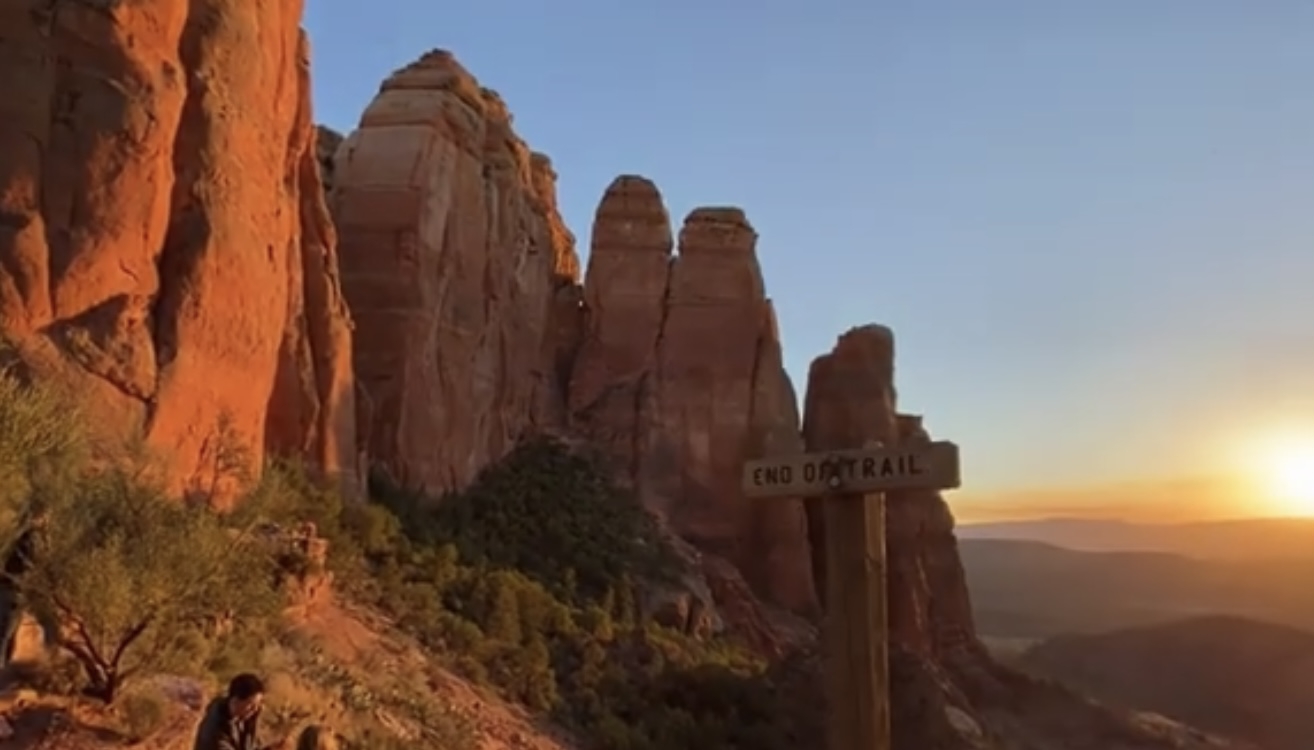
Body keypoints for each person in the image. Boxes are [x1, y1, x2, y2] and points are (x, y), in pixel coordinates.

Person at [0, 507, 47, 670]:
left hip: (10, 589)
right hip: (15, 589)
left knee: (6, 633)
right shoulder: (32, 539)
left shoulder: (18, 538)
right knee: (6, 633)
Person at [193, 673, 283, 750]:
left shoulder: (244, 719)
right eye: (251, 704)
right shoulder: (214, 732)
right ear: (236, 701)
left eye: (258, 704)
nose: (256, 709)